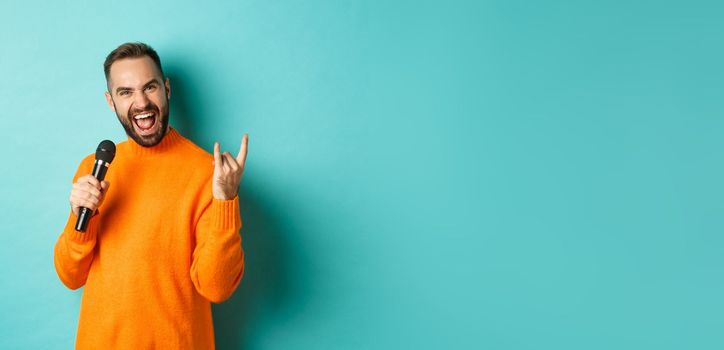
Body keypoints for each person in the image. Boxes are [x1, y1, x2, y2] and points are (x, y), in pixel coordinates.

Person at [53, 42, 249, 349]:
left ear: (166, 89)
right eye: (126, 92)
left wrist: (226, 201)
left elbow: (217, 288)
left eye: (150, 87)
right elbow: (70, 276)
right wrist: (83, 217)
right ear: (110, 101)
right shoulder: (94, 169)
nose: (141, 102)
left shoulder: (208, 174)